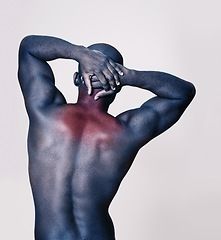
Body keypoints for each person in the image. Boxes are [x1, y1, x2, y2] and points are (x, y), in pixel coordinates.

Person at [18, 35, 195, 240]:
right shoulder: (127, 131)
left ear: (77, 78)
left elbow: (29, 48)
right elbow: (181, 93)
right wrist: (127, 76)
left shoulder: (45, 113)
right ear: (116, 87)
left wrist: (80, 54)